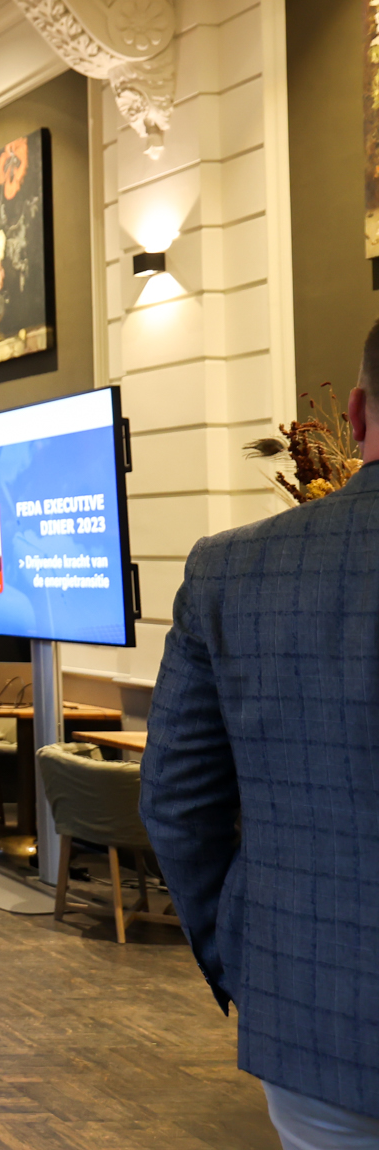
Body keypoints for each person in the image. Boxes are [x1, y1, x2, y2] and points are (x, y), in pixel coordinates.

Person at [141, 318, 379, 1149]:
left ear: (355, 414)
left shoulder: (232, 571)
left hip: (314, 1012)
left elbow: (176, 803)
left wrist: (249, 961)